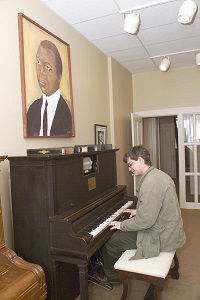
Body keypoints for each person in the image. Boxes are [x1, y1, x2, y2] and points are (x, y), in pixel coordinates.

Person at [94, 145, 186, 285]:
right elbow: (158, 206)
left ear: (141, 160)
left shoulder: (150, 183)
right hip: (168, 229)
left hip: (162, 235)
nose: (130, 169)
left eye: (131, 164)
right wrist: (138, 211)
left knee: (113, 241)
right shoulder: (158, 175)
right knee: (119, 233)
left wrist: (122, 224)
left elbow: (145, 222)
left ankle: (112, 277)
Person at [27, 40, 72, 136]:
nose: (41, 71)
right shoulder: (32, 110)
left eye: (48, 67)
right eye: (38, 62)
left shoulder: (66, 113)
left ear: (59, 77)